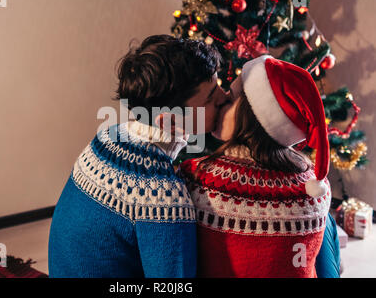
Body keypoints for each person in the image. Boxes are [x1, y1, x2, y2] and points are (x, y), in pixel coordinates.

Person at [48, 34, 229, 277]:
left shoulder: (108, 137)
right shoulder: (162, 196)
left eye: (218, 87)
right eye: (211, 98)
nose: (224, 97)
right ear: (170, 120)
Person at [180, 55, 341, 278]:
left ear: (252, 115)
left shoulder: (197, 179)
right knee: (329, 227)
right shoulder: (314, 180)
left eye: (232, 96)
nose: (223, 99)